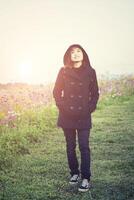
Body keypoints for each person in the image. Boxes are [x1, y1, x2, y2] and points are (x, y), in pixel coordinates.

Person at [53, 44, 99, 192]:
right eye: (72, 52)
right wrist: (63, 107)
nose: (76, 54)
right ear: (69, 56)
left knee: (84, 146)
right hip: (67, 115)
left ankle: (86, 177)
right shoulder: (63, 71)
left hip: (84, 115)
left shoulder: (91, 72)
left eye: (78, 51)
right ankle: (74, 173)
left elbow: (95, 94)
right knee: (70, 145)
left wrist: (89, 108)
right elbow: (56, 92)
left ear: (83, 54)